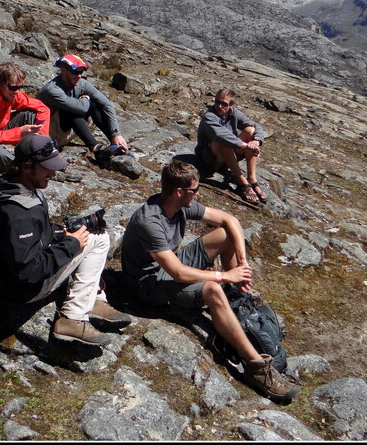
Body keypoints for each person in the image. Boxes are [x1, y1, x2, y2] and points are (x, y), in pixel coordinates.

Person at [120, 160, 300, 403]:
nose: (198, 194)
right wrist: (225, 276)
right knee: (213, 289)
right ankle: (257, 368)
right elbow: (178, 274)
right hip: (149, 286)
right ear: (179, 192)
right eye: (195, 190)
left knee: (225, 235)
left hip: (170, 266)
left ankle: (236, 298)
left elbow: (230, 220)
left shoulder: (178, 205)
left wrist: (242, 264)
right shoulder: (149, 221)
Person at [0, 134, 132, 347]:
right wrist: (72, 245)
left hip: (8, 277)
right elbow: (29, 271)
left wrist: (62, 233)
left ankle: (91, 298)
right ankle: (74, 317)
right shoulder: (18, 213)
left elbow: (36, 234)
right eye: (47, 167)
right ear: (26, 166)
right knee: (99, 238)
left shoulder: (10, 185)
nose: (53, 172)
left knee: (86, 234)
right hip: (21, 290)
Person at [37, 54, 129, 162]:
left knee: (95, 104)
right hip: (49, 135)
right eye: (75, 72)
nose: (79, 75)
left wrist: (116, 134)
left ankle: (116, 143)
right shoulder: (52, 90)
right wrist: (86, 98)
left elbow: (106, 104)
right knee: (71, 109)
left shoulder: (81, 84)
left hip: (66, 130)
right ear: (63, 71)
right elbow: (81, 109)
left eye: (81, 72)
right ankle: (96, 149)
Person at [195, 88, 267, 204]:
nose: (219, 106)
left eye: (224, 104)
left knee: (250, 130)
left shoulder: (233, 112)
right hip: (209, 159)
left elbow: (255, 125)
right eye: (217, 102)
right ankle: (242, 181)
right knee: (223, 140)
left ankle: (252, 178)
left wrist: (257, 141)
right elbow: (220, 135)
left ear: (231, 105)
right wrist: (245, 146)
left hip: (229, 153)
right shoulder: (209, 116)